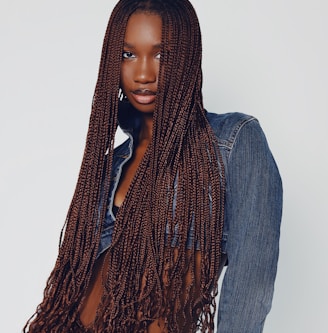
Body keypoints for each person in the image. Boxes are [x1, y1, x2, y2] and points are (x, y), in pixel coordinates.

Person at [24, 0, 282, 332]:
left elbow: (252, 279)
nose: (143, 73)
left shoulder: (232, 143)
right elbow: (72, 287)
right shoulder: (107, 167)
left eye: (161, 55)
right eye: (127, 54)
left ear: (187, 59)